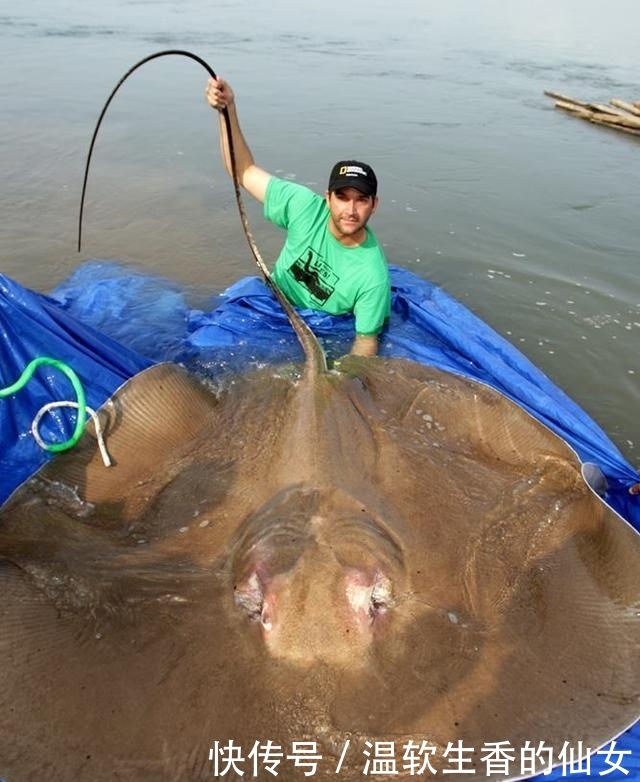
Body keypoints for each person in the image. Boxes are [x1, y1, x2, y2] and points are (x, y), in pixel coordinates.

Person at [205, 77, 390, 357]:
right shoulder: (303, 206)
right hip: (273, 299)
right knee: (206, 344)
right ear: (327, 198)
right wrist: (227, 111)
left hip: (322, 327)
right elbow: (242, 171)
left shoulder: (373, 277)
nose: (351, 210)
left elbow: (365, 340)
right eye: (342, 197)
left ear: (374, 205)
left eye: (361, 200)